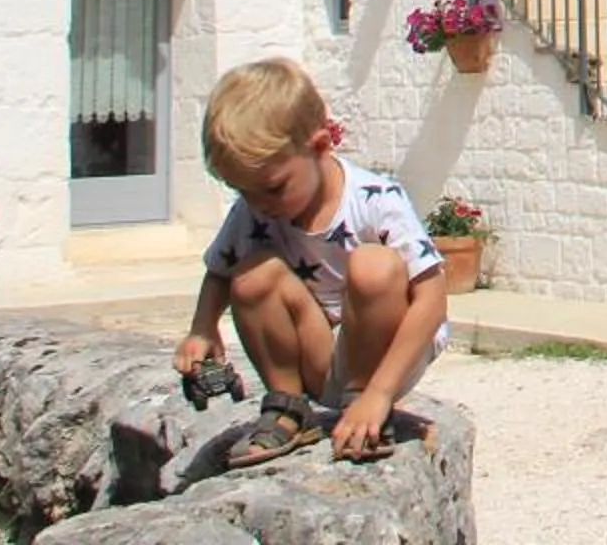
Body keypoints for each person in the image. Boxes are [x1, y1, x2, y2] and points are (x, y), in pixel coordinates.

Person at [176, 58, 450, 468]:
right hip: (317, 357)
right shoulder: (256, 209)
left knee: (374, 266)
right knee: (252, 276)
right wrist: (202, 329)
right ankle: (288, 407)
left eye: (272, 188)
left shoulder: (376, 198)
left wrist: (380, 393)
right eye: (242, 192)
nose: (259, 206)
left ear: (320, 146)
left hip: (384, 360)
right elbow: (220, 270)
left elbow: (432, 299)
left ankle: (364, 406)